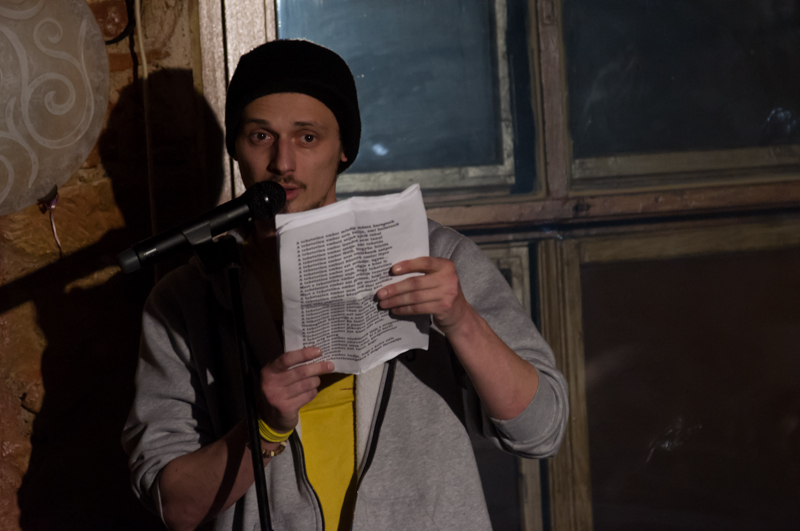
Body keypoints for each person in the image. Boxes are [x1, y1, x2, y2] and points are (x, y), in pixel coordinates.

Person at [122, 39, 568, 531]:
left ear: (344, 149)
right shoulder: (186, 298)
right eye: (260, 136)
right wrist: (262, 427)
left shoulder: (433, 256)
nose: (283, 163)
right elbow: (175, 506)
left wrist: (461, 320)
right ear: (235, 148)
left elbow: (541, 430)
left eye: (307, 137)